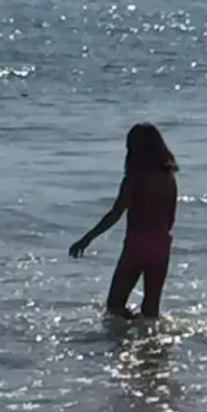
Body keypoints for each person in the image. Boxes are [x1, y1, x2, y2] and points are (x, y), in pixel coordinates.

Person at [69, 123, 178, 320]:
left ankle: (124, 341)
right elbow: (171, 217)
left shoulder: (135, 179)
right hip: (161, 244)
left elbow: (115, 213)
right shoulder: (168, 178)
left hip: (137, 244)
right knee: (151, 310)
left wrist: (87, 239)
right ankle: (152, 345)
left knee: (115, 306)